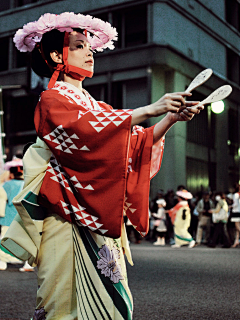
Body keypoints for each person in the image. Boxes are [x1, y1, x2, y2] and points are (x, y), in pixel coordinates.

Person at [1, 12, 202, 319]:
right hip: (64, 217)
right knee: (61, 302)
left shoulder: (95, 106)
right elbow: (88, 128)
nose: (90, 52)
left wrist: (169, 118)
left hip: (94, 214)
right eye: (80, 45)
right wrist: (150, 107)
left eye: (90, 46)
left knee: (112, 305)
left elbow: (133, 143)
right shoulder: (51, 100)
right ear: (57, 55)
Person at [0, 160, 34, 271]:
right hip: (23, 215)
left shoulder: (8, 185)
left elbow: (3, 198)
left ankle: (3, 262)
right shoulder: (27, 184)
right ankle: (28, 263)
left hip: (9, 216)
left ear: (11, 173)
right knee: (25, 240)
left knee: (5, 240)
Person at [230, 183, 240, 247]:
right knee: (237, 229)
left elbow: (235, 204)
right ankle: (236, 241)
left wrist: (230, 206)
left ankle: (236, 241)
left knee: (237, 227)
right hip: (239, 211)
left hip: (236, 211)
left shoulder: (235, 195)